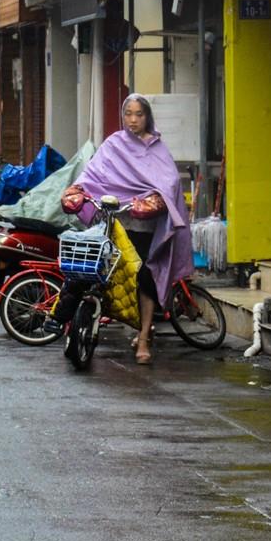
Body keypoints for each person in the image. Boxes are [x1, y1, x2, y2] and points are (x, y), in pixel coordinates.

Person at [61, 94, 194, 366]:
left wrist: (150, 202)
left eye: (139, 114)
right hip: (116, 224)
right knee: (99, 271)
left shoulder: (157, 148)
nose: (133, 120)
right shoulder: (113, 145)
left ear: (148, 117)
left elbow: (169, 184)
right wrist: (76, 191)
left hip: (147, 228)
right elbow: (93, 176)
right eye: (128, 114)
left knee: (145, 278)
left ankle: (144, 336)